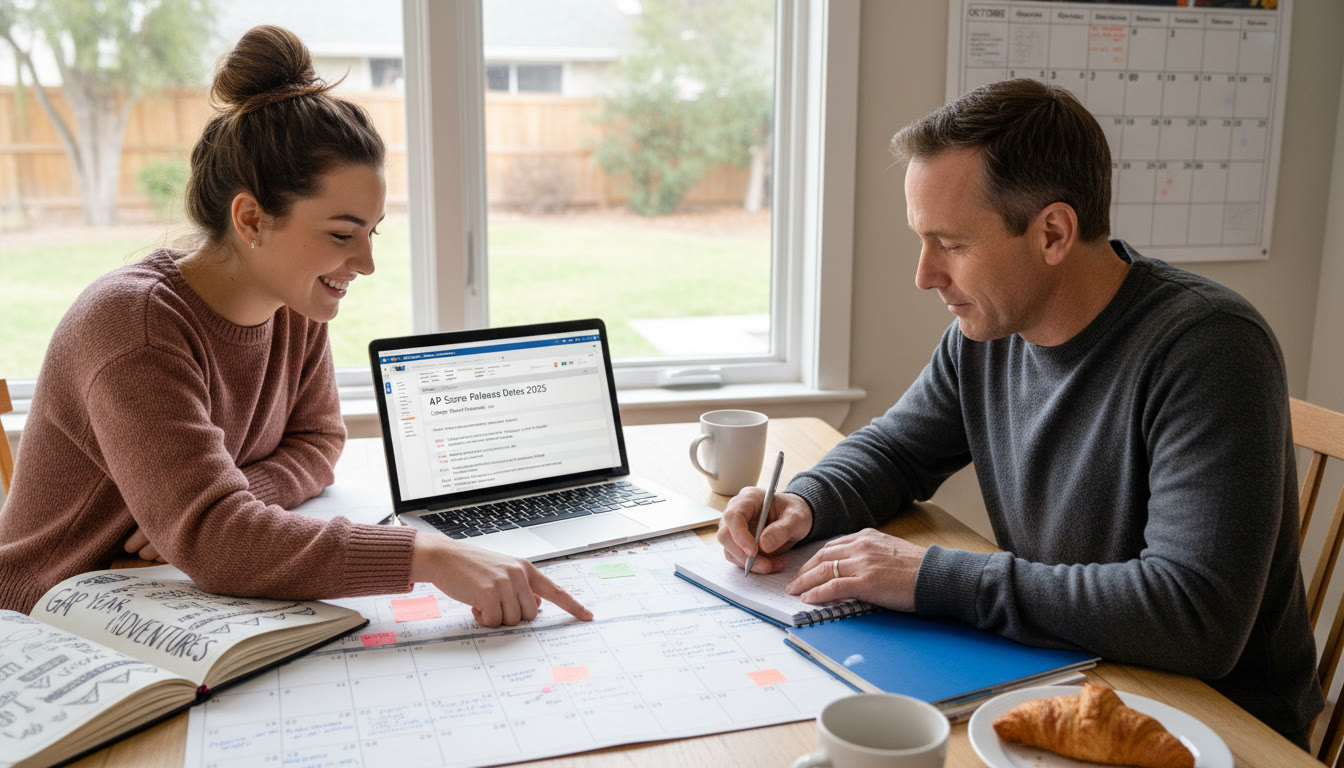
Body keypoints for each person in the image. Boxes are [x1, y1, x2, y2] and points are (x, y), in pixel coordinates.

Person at [717, 79, 1323, 748]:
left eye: (950, 243)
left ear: (1054, 233)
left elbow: (1193, 615)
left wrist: (932, 577)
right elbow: (897, 449)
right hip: (1070, 681)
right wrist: (805, 502)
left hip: (1211, 729)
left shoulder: (1209, 348)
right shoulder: (989, 333)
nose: (924, 275)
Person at [0, 25, 591, 630]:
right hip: (61, 611)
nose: (365, 263)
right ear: (251, 218)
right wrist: (428, 555)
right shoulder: (135, 327)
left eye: (372, 231)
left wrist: (236, 497)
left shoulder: (295, 304)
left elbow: (316, 442)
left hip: (178, 594)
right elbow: (217, 541)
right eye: (341, 234)